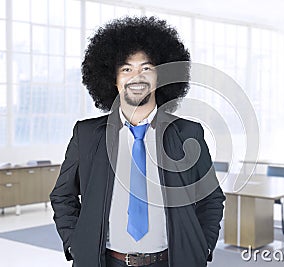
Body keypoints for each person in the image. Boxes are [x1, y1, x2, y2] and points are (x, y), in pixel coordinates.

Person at [50, 16, 225, 267]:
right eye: (126, 69)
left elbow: (211, 198)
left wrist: (203, 245)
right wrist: (74, 244)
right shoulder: (86, 135)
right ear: (114, 78)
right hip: (105, 262)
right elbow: (63, 196)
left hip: (172, 261)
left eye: (146, 68)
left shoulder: (188, 133)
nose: (137, 76)